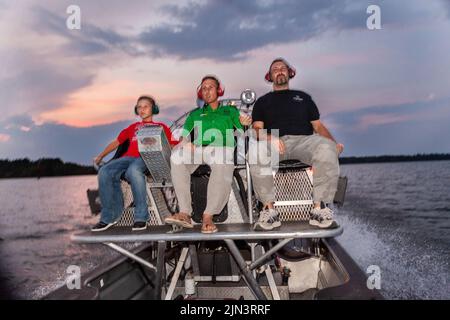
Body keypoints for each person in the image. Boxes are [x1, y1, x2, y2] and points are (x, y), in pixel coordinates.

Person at [250, 58, 344, 229]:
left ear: (289, 73)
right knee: (256, 152)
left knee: (327, 147)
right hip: (275, 141)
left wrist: (333, 145)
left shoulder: (304, 98)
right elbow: (256, 130)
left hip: (304, 141)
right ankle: (269, 211)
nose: (279, 70)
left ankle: (319, 209)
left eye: (283, 68)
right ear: (270, 76)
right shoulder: (262, 102)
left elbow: (318, 126)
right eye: (275, 69)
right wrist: (270, 137)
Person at [165, 75, 251, 233]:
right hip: (199, 149)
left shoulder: (230, 110)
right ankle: (185, 212)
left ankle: (208, 215)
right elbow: (184, 136)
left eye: (210, 87)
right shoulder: (195, 114)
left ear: (219, 90)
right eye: (203, 88)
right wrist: (186, 144)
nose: (206, 90)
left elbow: (242, 128)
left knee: (221, 159)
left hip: (221, 147)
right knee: (176, 156)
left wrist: (245, 122)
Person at [92, 95, 178, 232]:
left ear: (153, 109)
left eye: (146, 106)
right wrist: (101, 156)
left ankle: (141, 218)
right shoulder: (133, 127)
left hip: (148, 158)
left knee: (133, 170)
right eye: (139, 107)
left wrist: (184, 147)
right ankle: (109, 218)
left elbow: (172, 145)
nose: (142, 109)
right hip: (128, 158)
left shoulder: (161, 127)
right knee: (105, 171)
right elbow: (116, 142)